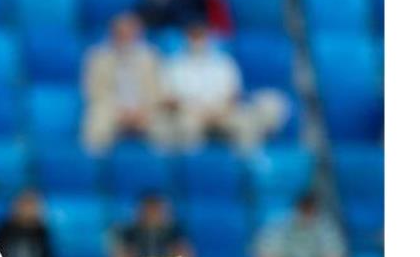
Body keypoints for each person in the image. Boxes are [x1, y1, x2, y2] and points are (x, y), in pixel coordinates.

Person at [160, 21, 288, 151]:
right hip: (190, 113)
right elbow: (170, 98)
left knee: (246, 123)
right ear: (186, 38)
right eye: (193, 36)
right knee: (185, 125)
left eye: (201, 36)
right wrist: (194, 110)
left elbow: (234, 94)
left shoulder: (224, 62)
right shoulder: (174, 65)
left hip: (223, 112)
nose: (197, 41)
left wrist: (220, 110)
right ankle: (192, 165)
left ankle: (247, 163)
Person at [81, 12, 167, 153]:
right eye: (120, 33)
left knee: (167, 128)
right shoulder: (97, 57)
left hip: (144, 109)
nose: (125, 36)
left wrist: (141, 110)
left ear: (137, 34)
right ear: (112, 33)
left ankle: (162, 169)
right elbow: (93, 91)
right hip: (111, 108)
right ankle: (97, 166)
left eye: (130, 32)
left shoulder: (150, 56)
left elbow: (157, 89)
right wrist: (120, 111)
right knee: (96, 125)